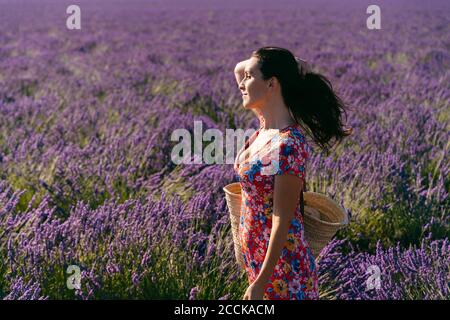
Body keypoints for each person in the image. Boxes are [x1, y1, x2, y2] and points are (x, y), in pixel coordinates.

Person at [233, 46, 352, 300]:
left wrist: (260, 284)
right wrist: (286, 65)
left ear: (272, 84)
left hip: (283, 273)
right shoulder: (264, 129)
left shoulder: (289, 144)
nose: (242, 83)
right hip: (259, 262)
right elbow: (238, 68)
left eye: (250, 77)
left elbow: (282, 221)